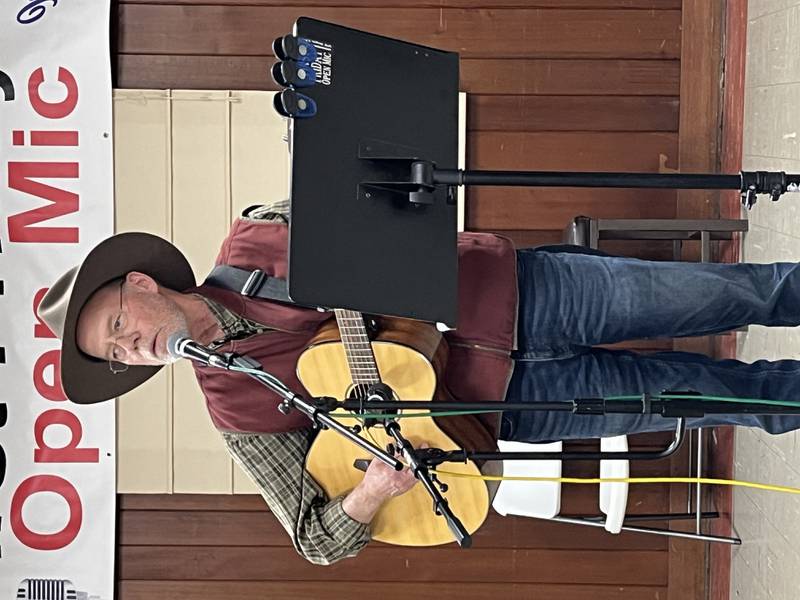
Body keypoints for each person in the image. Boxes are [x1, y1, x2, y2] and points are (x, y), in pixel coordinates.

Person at [40, 201, 800, 565]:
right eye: (119, 356)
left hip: (527, 295)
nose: (132, 348)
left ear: (139, 282)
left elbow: (378, 209)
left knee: (733, 294)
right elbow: (313, 539)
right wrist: (370, 491)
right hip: (501, 410)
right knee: (707, 397)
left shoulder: (255, 238)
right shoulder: (234, 407)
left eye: (116, 326)